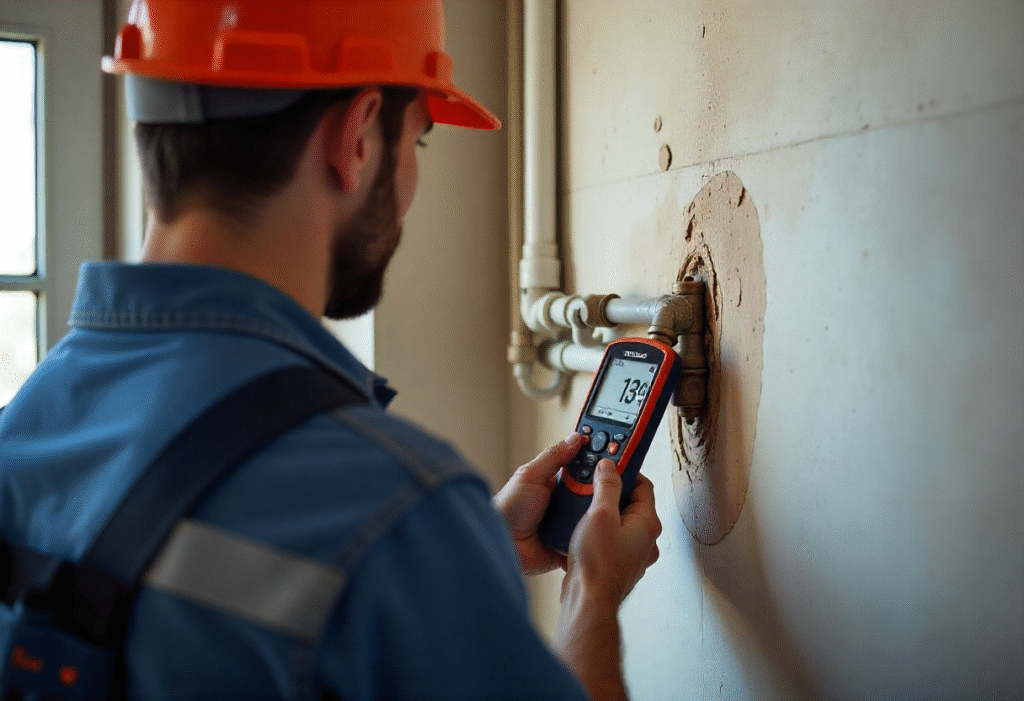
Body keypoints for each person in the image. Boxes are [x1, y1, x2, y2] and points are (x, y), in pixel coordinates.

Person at [0, 1, 661, 699]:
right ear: (358, 137)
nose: (410, 180)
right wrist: (591, 590)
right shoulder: (397, 504)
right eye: (419, 143)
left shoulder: (21, 435)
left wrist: (449, 563)